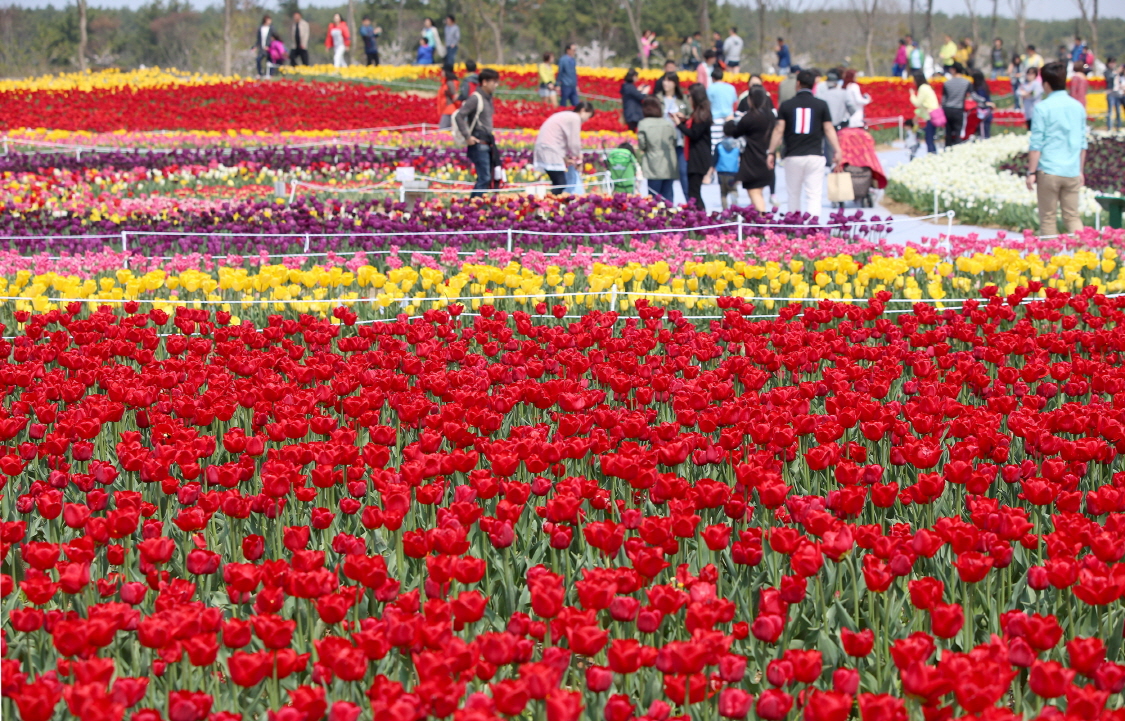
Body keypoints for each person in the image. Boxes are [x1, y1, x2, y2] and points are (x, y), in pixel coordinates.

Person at [768, 69, 842, 218]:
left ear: (798, 84)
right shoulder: (821, 105)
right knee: (814, 195)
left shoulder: (787, 105)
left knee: (793, 194)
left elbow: (778, 130)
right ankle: (813, 229)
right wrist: (837, 149)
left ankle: (795, 227)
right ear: (814, 85)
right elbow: (828, 128)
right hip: (815, 155)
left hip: (793, 155)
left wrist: (771, 151)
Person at [1027, 60, 1087, 235]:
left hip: (1049, 171)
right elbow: (1082, 143)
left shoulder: (1042, 108)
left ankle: (1051, 260)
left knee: (1048, 218)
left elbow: (1036, 144)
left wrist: (1031, 173)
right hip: (1072, 170)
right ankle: (1083, 256)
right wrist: (1080, 170)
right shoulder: (1078, 107)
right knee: (1072, 217)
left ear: (1046, 84)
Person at [723, 86, 775, 212]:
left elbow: (734, 132)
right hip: (767, 155)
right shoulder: (771, 116)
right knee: (759, 191)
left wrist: (729, 121)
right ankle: (759, 220)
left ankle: (764, 221)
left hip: (752, 159)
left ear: (751, 100)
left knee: (754, 191)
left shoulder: (750, 117)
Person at [533, 102, 596, 193]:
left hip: (545, 147)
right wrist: (579, 159)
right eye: (588, 116)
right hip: (550, 149)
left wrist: (566, 159)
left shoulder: (567, 115)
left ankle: (552, 202)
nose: (587, 120)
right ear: (583, 110)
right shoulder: (575, 118)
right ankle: (551, 203)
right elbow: (574, 142)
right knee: (561, 184)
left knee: (558, 183)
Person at [457, 68, 499, 197]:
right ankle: (474, 206)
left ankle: (476, 205)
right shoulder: (476, 98)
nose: (496, 85)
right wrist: (467, 136)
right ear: (484, 82)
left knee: (486, 177)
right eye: (494, 82)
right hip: (479, 143)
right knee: (484, 178)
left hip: (487, 142)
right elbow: (459, 116)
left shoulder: (487, 98)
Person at [672, 84, 713, 208]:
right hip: (696, 156)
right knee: (693, 192)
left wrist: (679, 124)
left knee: (694, 193)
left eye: (689, 96)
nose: (688, 98)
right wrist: (685, 121)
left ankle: (701, 218)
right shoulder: (699, 113)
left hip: (699, 158)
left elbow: (694, 133)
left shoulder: (703, 114)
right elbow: (694, 128)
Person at [652, 72, 688, 195]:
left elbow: (691, 116)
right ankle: (667, 204)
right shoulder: (657, 99)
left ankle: (691, 205)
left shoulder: (682, 100)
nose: (665, 83)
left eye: (669, 81)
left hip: (679, 141)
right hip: (662, 142)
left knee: (683, 172)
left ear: (675, 83)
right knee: (666, 175)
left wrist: (684, 117)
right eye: (664, 80)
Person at [636, 97, 678, 201]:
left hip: (653, 162)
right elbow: (675, 141)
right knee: (668, 195)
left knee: (653, 196)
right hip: (669, 162)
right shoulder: (668, 123)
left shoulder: (643, 124)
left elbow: (642, 145)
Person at [816, 71, 854, 167]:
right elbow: (852, 108)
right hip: (841, 123)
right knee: (842, 144)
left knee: (828, 146)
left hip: (827, 124)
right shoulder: (844, 93)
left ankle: (830, 164)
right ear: (837, 83)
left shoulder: (822, 96)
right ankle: (843, 162)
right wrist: (848, 116)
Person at [909, 71, 940, 154]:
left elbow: (917, 103)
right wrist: (917, 115)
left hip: (931, 116)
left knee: (929, 139)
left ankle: (932, 155)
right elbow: (923, 105)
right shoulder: (927, 87)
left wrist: (912, 94)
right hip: (932, 115)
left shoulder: (923, 88)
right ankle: (932, 154)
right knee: (929, 138)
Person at [941, 62, 970, 147]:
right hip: (958, 109)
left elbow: (943, 99)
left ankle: (947, 150)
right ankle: (956, 151)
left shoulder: (947, 83)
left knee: (948, 133)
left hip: (948, 110)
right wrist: (984, 102)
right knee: (958, 132)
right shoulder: (966, 83)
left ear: (954, 70)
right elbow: (973, 95)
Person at [714, 134, 741, 209]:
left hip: (721, 172)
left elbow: (714, 159)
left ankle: (725, 211)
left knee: (723, 193)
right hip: (733, 172)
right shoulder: (737, 145)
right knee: (733, 190)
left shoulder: (719, 145)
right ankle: (734, 208)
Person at [970, 70, 994, 139]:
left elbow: (981, 101)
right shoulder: (984, 86)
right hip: (987, 112)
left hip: (983, 113)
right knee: (986, 132)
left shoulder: (979, 88)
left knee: (983, 134)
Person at [1019, 66, 1043, 130]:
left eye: (1031, 74)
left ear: (1035, 75)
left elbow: (1034, 94)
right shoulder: (1024, 84)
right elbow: (1018, 92)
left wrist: (1025, 94)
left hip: (1035, 111)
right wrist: (1027, 93)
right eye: (1028, 73)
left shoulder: (1037, 84)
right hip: (1027, 110)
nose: (1029, 75)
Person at [1109, 61, 1124, 131]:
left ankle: (1119, 126)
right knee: (1116, 111)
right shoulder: (1118, 75)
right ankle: (1116, 127)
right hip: (1118, 94)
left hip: (1121, 94)